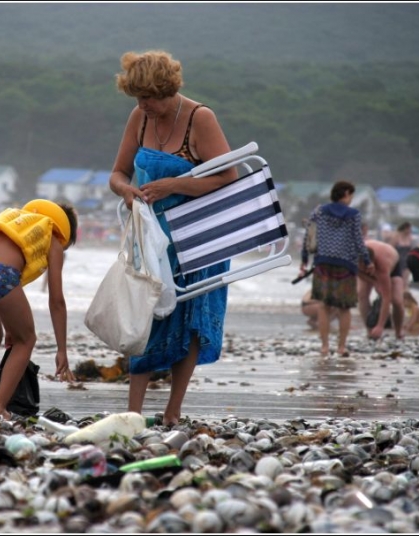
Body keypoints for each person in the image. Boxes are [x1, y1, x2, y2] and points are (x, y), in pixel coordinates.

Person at [108, 50, 237, 427]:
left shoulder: (201, 118)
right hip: (151, 237)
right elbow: (117, 172)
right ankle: (132, 411)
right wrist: (126, 191)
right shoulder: (139, 118)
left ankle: (172, 411)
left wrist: (174, 185)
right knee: (144, 315)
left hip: (199, 236)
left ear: (167, 90)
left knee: (192, 319)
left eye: (148, 97)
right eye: (136, 98)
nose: (142, 104)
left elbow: (229, 177)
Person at [0, 199, 78, 420]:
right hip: (0, 275)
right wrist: (61, 349)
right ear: (63, 230)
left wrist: (10, 326)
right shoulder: (52, 238)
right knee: (27, 340)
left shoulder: (16, 225)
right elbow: (57, 301)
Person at [299, 180, 374, 357]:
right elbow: (358, 240)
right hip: (345, 266)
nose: (351, 199)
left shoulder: (318, 211)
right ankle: (341, 347)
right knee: (344, 307)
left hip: (322, 264)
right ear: (346, 193)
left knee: (324, 306)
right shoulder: (353, 214)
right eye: (351, 195)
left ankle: (324, 347)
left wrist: (304, 260)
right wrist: (367, 260)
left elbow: (308, 236)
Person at [357, 240, 404, 340]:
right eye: (362, 268)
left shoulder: (383, 266)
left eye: (367, 268)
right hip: (367, 254)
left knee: (397, 300)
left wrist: (380, 326)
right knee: (361, 294)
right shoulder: (352, 258)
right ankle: (369, 330)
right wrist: (374, 282)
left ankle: (398, 332)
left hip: (392, 263)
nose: (365, 270)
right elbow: (358, 272)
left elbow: (386, 297)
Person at [390, 221, 414, 292]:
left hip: (407, 261)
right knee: (397, 280)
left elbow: (412, 249)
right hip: (397, 261)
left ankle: (405, 296)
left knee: (405, 280)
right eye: (409, 229)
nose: (410, 231)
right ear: (405, 228)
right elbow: (391, 248)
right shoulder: (396, 236)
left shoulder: (410, 237)